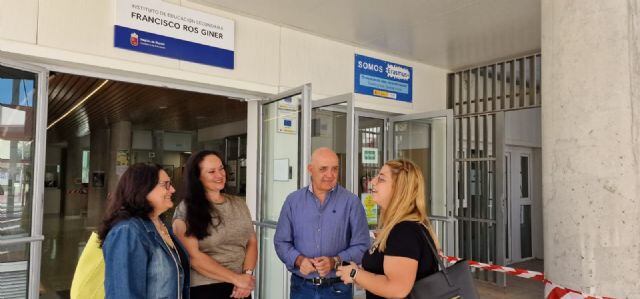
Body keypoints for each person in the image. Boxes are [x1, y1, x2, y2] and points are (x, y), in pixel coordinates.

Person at [274, 147, 370, 299]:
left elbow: (362, 245)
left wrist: (335, 261)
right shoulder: (293, 201)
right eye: (323, 169)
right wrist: (299, 260)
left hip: (338, 288)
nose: (330, 175)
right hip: (301, 288)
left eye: (335, 169)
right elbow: (281, 242)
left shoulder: (351, 202)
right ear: (310, 169)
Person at [336, 159, 439, 299]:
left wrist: (355, 273)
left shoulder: (405, 231)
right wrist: (359, 275)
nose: (372, 182)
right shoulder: (400, 228)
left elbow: (397, 289)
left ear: (399, 188)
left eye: (381, 179)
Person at [173, 150, 257, 299]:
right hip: (206, 287)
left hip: (240, 288)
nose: (220, 175)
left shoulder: (239, 203)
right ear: (197, 177)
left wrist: (246, 276)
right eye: (211, 171)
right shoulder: (186, 209)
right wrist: (236, 279)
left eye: (221, 168)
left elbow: (251, 242)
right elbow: (193, 257)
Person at [99, 163, 190, 299]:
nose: (172, 189)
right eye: (165, 184)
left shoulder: (160, 225)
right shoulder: (127, 231)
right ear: (143, 188)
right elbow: (123, 294)